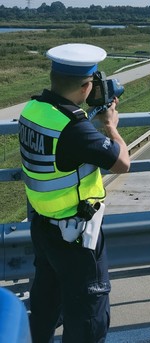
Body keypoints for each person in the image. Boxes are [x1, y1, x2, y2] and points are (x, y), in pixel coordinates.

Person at [18, 43, 130, 343]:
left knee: (45, 306)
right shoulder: (75, 128)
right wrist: (110, 126)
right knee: (87, 322)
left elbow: (60, 149)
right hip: (77, 237)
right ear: (84, 87)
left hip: (43, 228)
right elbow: (122, 163)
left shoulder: (33, 110)